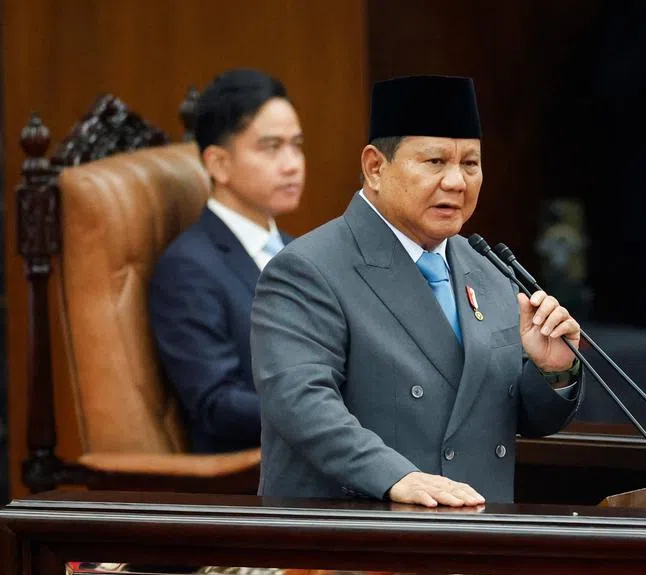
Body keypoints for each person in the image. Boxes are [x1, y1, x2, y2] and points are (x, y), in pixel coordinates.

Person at [251, 75, 582, 506]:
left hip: (482, 529)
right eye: (435, 162)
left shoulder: (488, 269)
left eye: (470, 164)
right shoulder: (308, 269)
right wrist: (395, 476)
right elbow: (301, 403)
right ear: (375, 167)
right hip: (359, 530)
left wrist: (552, 371)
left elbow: (510, 417)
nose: (456, 182)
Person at [149, 69, 304, 453]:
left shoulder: (301, 252)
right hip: (256, 473)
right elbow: (217, 405)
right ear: (218, 163)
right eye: (271, 148)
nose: (292, 164)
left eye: (297, 145)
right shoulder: (188, 269)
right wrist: (325, 416)